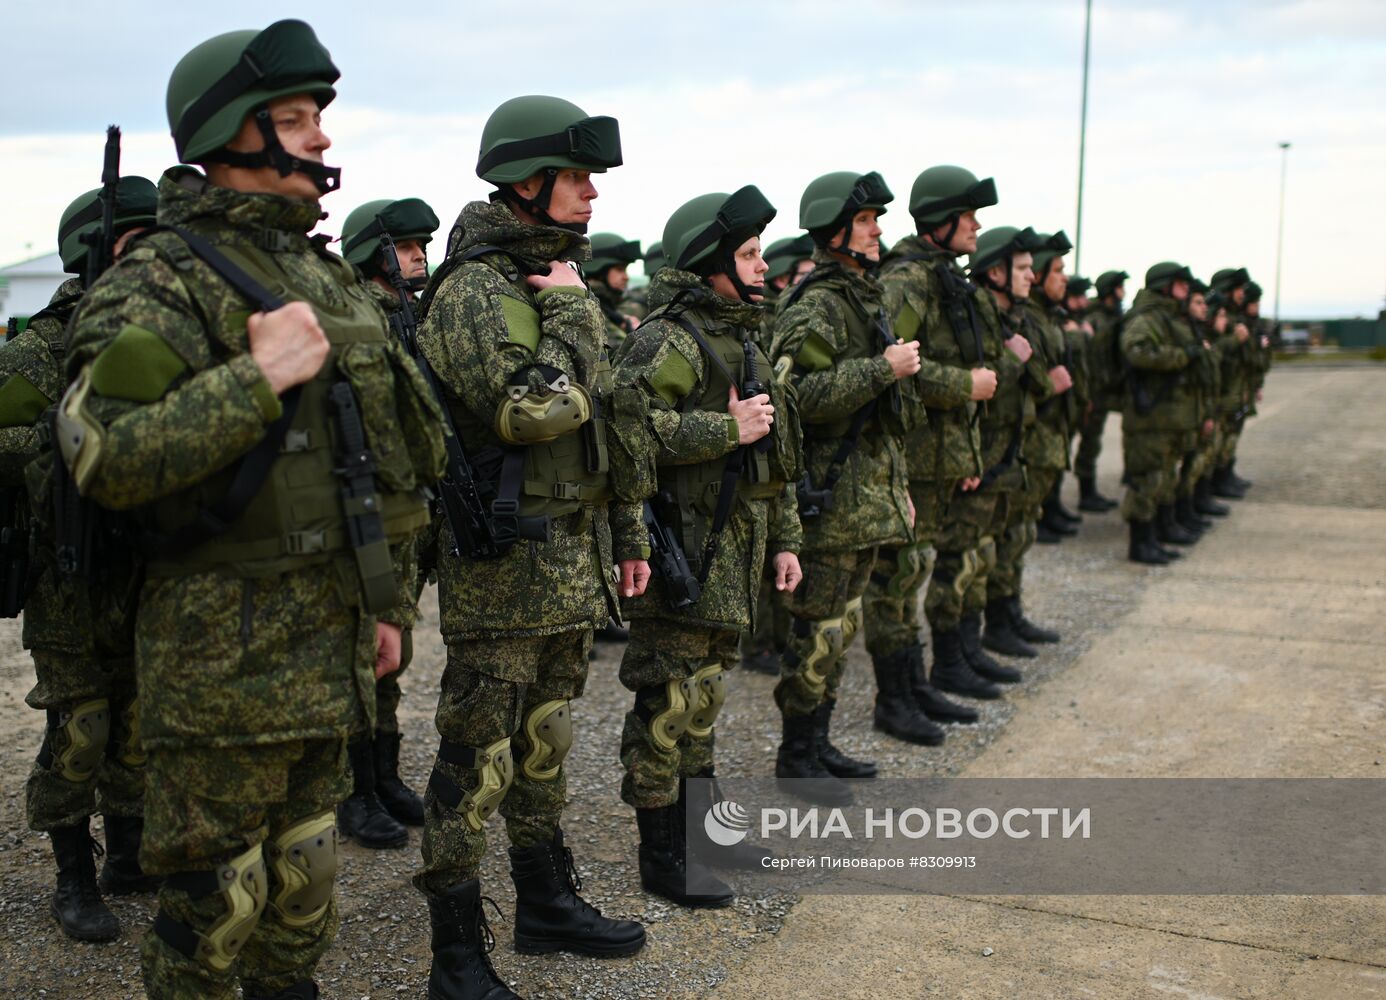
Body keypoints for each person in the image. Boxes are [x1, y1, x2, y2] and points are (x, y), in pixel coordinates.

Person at [61, 20, 446, 999]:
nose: (319, 136)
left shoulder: (319, 276)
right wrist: (256, 376)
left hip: (331, 645)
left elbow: (362, 467)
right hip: (219, 669)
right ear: (229, 134)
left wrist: (383, 606)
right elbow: (105, 456)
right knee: (213, 916)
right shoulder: (160, 282)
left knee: (306, 893)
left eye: (318, 115)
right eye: (292, 117)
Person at [413, 94, 649, 998]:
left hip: (568, 563)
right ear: (526, 180)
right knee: (475, 759)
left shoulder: (549, 284)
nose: (592, 195)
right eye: (579, 177)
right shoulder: (476, 292)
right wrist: (578, 319)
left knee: (544, 743)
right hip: (506, 569)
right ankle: (457, 952)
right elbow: (530, 411)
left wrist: (625, 535)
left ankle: (546, 905)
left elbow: (610, 427)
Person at [614, 185, 802, 907]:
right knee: (665, 706)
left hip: (732, 554)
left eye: (759, 253)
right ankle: (662, 858)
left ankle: (708, 836)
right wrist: (724, 430)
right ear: (709, 261)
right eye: (749, 254)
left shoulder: (739, 336)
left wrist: (783, 539)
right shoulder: (670, 339)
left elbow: (770, 460)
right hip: (682, 555)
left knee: (704, 700)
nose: (763, 268)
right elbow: (627, 434)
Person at [0, 177, 157, 942]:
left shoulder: (162, 341)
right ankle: (72, 872)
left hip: (140, 568)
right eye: (134, 244)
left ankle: (129, 853)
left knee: (134, 715)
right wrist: (64, 443)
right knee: (82, 724)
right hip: (65, 574)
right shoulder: (40, 347)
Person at [769, 170, 920, 804]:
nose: (878, 229)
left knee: (842, 626)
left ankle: (819, 740)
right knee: (817, 629)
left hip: (867, 497)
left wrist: (899, 487)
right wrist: (879, 368)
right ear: (836, 231)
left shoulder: (865, 298)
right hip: (829, 502)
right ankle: (796, 752)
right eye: (865, 221)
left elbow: (886, 423)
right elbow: (791, 396)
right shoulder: (818, 306)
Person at [861, 165, 1003, 744]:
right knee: (896, 578)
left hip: (937, 457)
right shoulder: (909, 280)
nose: (975, 226)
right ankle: (894, 698)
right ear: (941, 221)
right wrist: (963, 385)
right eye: (967, 215)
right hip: (914, 457)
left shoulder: (940, 275)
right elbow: (896, 365)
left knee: (916, 572)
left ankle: (916, 683)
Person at [336, 196, 443, 845]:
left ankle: (384, 775)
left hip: (407, 519)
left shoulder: (410, 321)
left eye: (420, 248)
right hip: (364, 519)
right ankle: (353, 791)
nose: (419, 260)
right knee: (358, 654)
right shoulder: (354, 323)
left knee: (391, 650)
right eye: (406, 249)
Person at [982, 232, 1071, 662]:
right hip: (1008, 443)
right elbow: (1040, 378)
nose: (1037, 276)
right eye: (1027, 269)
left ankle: (1008, 613)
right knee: (997, 539)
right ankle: (996, 623)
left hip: (1026, 439)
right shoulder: (1009, 318)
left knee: (1018, 533)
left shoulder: (1030, 318)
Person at [1119, 262, 1209, 564]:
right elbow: (1136, 350)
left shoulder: (1170, 318)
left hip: (1168, 417)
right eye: (1181, 285)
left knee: (1164, 479)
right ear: (1165, 286)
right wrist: (1181, 357)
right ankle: (1140, 542)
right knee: (1147, 480)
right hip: (1150, 418)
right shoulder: (1148, 318)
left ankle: (1157, 533)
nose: (1186, 291)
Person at [1074, 270, 1127, 511]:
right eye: (1119, 288)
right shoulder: (1096, 321)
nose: (1123, 293)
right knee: (1088, 442)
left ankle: (1089, 491)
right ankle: (1086, 493)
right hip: (1092, 392)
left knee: (1092, 441)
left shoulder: (1111, 318)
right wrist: (1089, 396)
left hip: (1102, 391)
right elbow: (1091, 362)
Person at [582, 232, 644, 350]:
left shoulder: (606, 305)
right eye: (619, 269)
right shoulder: (589, 307)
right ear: (599, 270)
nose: (626, 277)